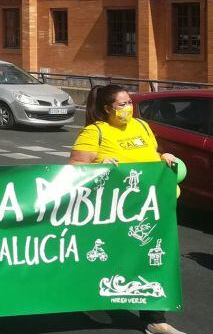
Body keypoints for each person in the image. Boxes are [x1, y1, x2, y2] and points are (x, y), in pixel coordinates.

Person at [68, 84, 185, 334]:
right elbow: (74, 168)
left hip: (151, 208)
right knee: (109, 259)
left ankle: (155, 320)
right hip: (114, 212)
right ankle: (91, 301)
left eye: (130, 102)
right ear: (107, 108)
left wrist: (163, 157)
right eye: (122, 104)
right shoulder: (95, 132)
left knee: (152, 259)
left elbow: (151, 153)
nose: (128, 108)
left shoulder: (141, 126)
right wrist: (100, 166)